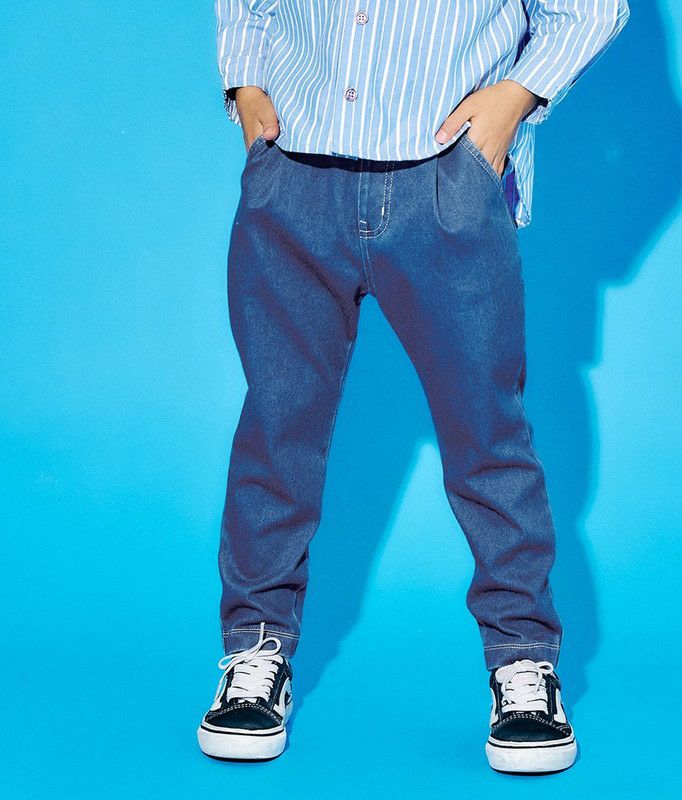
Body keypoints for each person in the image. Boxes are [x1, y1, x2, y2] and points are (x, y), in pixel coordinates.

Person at [198, 0, 629, 773]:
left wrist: (515, 98)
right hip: (295, 174)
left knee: (487, 440)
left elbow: (590, 8)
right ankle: (255, 649)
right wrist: (246, 83)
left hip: (441, 177)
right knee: (277, 430)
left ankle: (523, 663)